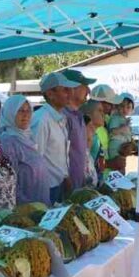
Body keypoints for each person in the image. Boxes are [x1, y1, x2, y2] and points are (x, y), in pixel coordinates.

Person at [32, 71, 80, 201]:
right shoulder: (41, 120)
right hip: (47, 188)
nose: (69, 94)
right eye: (65, 90)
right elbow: (36, 159)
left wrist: (65, 175)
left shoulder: (59, 118)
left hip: (59, 185)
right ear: (50, 94)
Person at [0, 95, 51, 205]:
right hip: (27, 208)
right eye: (20, 110)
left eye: (28, 110)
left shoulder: (27, 136)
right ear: (10, 113)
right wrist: (26, 206)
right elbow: (11, 181)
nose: (26, 115)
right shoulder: (8, 141)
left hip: (40, 204)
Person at [62, 68, 95, 188]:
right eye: (85, 86)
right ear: (72, 88)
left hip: (79, 185)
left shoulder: (79, 116)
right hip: (66, 189)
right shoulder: (64, 117)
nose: (89, 90)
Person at [81, 99, 106, 183]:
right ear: (89, 115)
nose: (103, 114)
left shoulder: (95, 134)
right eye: (99, 111)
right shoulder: (86, 134)